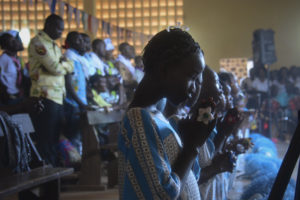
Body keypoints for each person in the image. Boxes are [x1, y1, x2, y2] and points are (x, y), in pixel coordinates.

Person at [118, 28, 215, 199]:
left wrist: (188, 141)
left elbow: (190, 176)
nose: (194, 88)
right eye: (192, 77)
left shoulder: (158, 114)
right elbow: (163, 195)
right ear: (164, 69)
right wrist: (191, 147)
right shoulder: (138, 118)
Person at [28, 14, 73, 166]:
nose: (61, 32)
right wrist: (67, 66)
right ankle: (46, 173)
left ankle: (53, 175)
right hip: (44, 96)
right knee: (45, 139)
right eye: (59, 28)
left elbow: (60, 65)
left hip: (57, 96)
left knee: (54, 137)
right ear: (49, 26)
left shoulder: (53, 44)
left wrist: (64, 65)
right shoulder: (38, 43)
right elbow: (55, 68)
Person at [64, 31, 90, 153]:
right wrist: (80, 103)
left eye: (82, 40)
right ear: (70, 43)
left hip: (79, 102)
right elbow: (68, 84)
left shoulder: (77, 58)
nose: (82, 43)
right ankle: (75, 164)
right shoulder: (69, 56)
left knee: (80, 136)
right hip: (72, 103)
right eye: (78, 40)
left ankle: (80, 162)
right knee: (74, 136)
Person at [0, 31, 25, 105]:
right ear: (5, 45)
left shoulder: (17, 59)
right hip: (9, 98)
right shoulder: (3, 59)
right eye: (13, 41)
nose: (18, 42)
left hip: (19, 95)